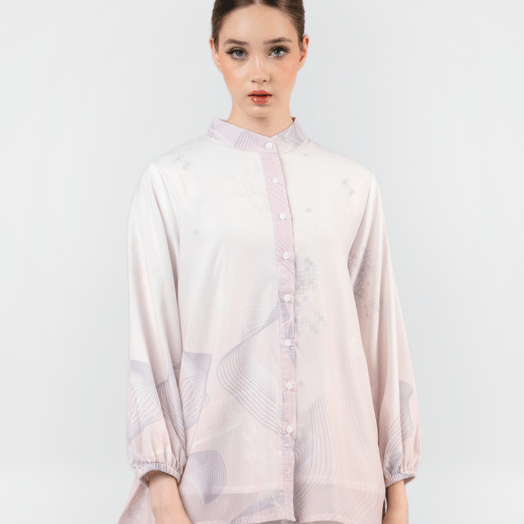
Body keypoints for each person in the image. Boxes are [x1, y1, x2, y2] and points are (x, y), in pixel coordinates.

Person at [117, 1, 422, 524]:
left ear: (303, 51)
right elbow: (153, 340)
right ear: (215, 53)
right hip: (214, 489)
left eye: (276, 50)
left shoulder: (352, 185)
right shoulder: (172, 182)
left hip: (340, 485)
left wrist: (396, 489)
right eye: (238, 52)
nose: (258, 71)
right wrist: (163, 492)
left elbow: (380, 341)